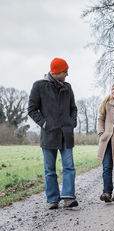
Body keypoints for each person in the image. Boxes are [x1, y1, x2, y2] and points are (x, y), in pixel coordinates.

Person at [28, 57, 78, 210]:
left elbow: (73, 108)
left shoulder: (68, 87)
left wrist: (72, 122)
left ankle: (68, 198)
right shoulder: (39, 86)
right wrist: (44, 123)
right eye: (65, 71)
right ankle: (53, 200)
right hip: (49, 134)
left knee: (69, 166)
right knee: (50, 170)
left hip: (66, 134)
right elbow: (31, 109)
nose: (67, 74)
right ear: (56, 72)